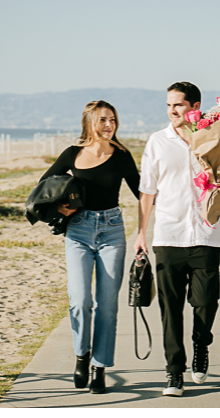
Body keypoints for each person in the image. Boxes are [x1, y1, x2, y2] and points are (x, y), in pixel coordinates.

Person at [135, 81, 220, 396]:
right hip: (168, 235)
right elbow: (147, 191)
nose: (172, 111)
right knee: (170, 308)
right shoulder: (157, 142)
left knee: (207, 302)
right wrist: (141, 233)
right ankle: (173, 373)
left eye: (178, 105)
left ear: (195, 107)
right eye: (168, 105)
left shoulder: (217, 139)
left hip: (207, 234)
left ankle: (201, 344)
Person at [39, 101, 140, 395]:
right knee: (80, 299)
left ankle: (99, 367)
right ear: (89, 124)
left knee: (107, 306)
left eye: (112, 120)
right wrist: (62, 207)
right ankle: (81, 354)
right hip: (79, 231)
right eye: (103, 120)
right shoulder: (72, 154)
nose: (109, 125)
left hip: (112, 231)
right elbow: (43, 186)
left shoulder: (121, 156)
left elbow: (142, 191)